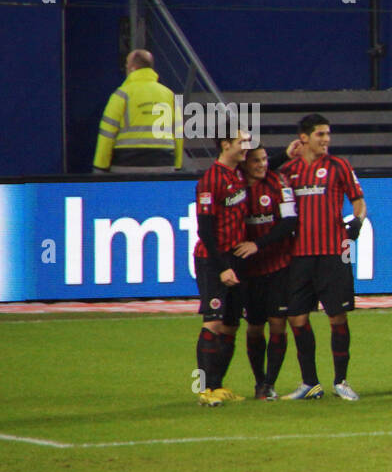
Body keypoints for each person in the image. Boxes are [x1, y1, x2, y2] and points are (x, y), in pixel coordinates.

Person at [279, 114, 366, 401]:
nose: (326, 139)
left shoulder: (339, 166)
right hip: (299, 255)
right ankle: (310, 383)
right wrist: (283, 154)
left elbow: (358, 202)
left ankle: (341, 380)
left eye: (328, 134)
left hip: (333, 254)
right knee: (297, 318)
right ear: (304, 138)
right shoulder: (287, 171)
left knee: (337, 317)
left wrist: (357, 221)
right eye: (320, 134)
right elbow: (258, 175)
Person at [192, 130, 253, 406]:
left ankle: (217, 386)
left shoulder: (238, 174)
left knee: (230, 325)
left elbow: (266, 165)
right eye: (241, 143)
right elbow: (205, 230)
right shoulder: (210, 180)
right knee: (213, 321)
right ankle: (202, 389)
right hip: (212, 260)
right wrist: (221, 267)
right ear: (225, 144)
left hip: (236, 260)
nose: (246, 148)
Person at [238, 144, 298, 400]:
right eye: (256, 161)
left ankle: (270, 383)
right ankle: (258, 380)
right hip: (249, 271)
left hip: (279, 265)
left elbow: (289, 222)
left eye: (264, 159)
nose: (262, 165)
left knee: (278, 324)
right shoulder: (236, 187)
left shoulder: (279, 182)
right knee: (253, 327)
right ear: (244, 164)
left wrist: (258, 244)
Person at [93, 50, 181, 173]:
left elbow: (107, 134)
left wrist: (100, 166)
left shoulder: (121, 95)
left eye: (127, 65)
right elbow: (178, 133)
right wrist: (177, 165)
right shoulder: (169, 95)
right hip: (164, 163)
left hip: (127, 164)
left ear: (133, 68)